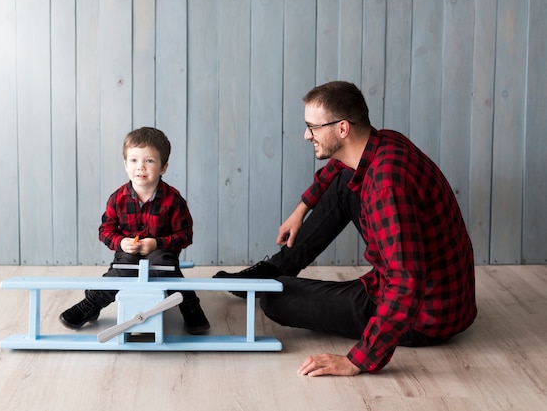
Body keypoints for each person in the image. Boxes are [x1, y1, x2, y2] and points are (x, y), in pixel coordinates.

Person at [214, 81, 476, 376]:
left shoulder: (385, 187)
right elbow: (337, 170)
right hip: (445, 296)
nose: (306, 135)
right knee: (343, 184)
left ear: (342, 129)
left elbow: (406, 284)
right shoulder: (384, 142)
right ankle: (276, 267)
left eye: (312, 127)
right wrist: (302, 208)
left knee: (276, 298)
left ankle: (278, 280)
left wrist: (357, 361)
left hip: (426, 317)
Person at [60, 127, 210, 334]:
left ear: (163, 167)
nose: (141, 167)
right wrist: (121, 242)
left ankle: (189, 305)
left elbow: (185, 235)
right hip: (128, 253)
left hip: (161, 253)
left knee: (165, 267)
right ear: (125, 165)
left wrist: (157, 243)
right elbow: (105, 230)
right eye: (134, 161)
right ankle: (92, 304)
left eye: (149, 161)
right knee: (123, 269)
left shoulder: (173, 200)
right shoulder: (117, 198)